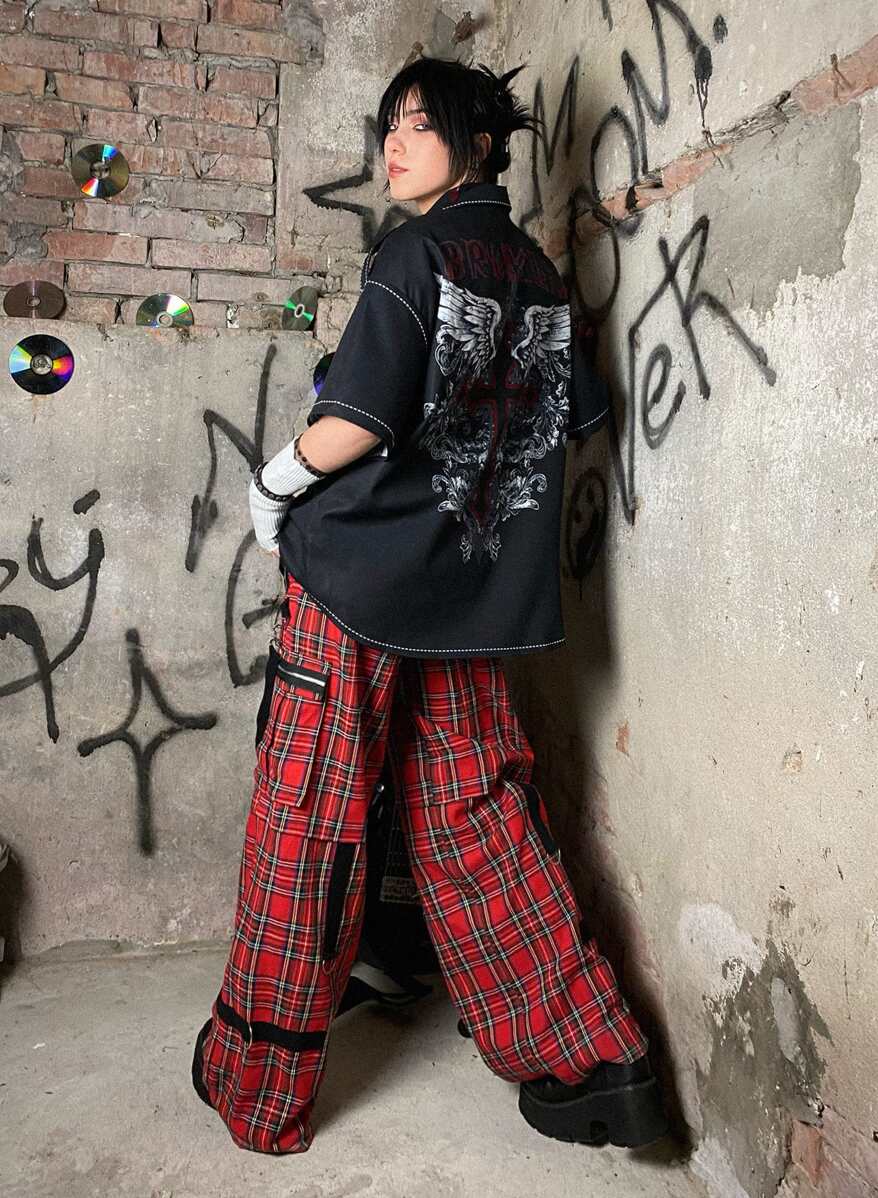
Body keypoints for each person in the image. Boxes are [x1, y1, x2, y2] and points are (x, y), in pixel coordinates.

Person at [192, 54, 669, 1156]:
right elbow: (577, 416)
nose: (393, 146)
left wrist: (272, 483)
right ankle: (595, 1061)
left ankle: (259, 1085)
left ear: (479, 145)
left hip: (358, 585)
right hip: (472, 601)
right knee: (477, 815)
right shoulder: (540, 277)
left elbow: (356, 420)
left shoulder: (414, 255)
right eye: (389, 126)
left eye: (419, 124)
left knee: (309, 815)